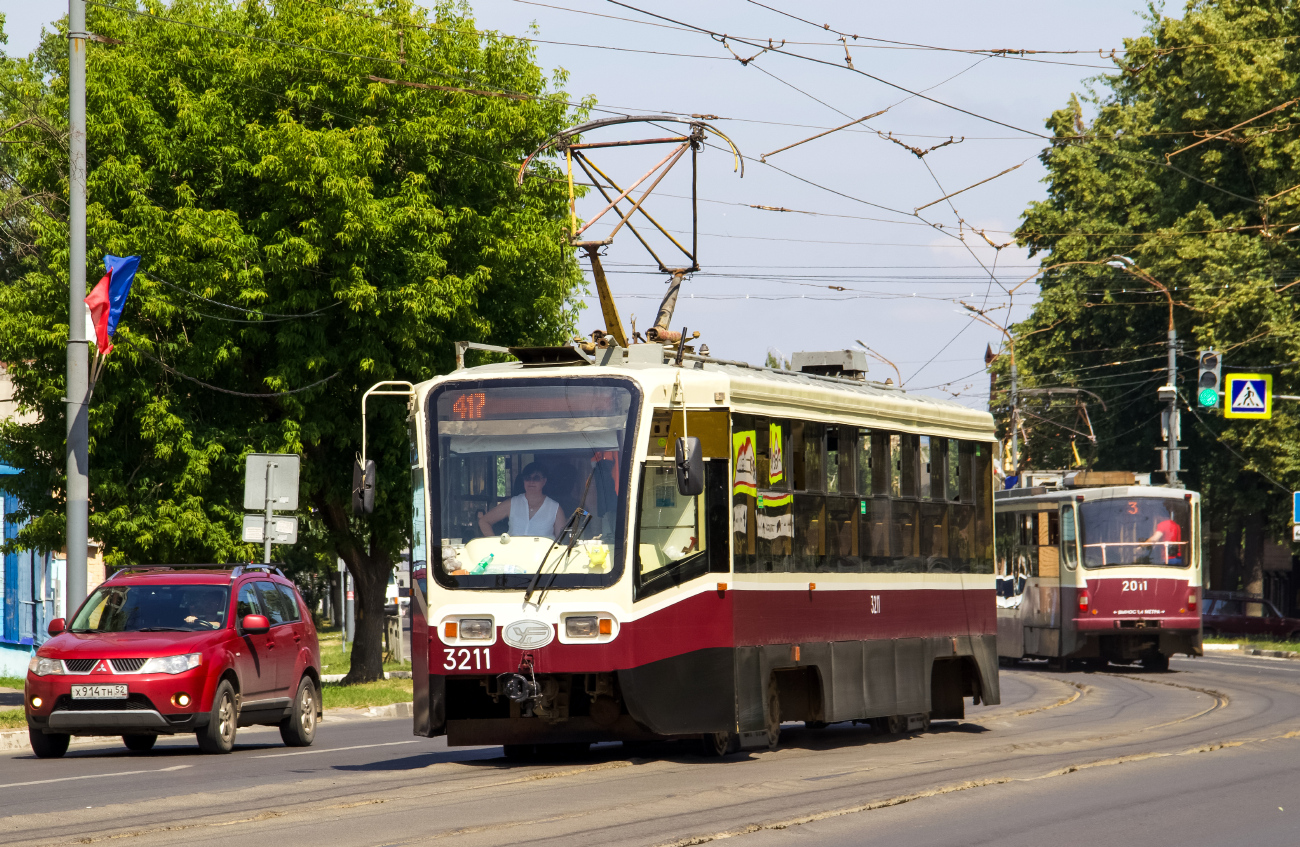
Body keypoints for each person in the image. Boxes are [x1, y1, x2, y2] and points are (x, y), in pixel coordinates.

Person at [477, 462, 567, 539]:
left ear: (544, 481)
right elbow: (484, 521)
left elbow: (562, 541)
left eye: (536, 478)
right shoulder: (512, 503)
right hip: (513, 556)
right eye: (528, 478)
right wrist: (496, 544)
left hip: (543, 557)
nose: (531, 482)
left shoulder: (555, 508)